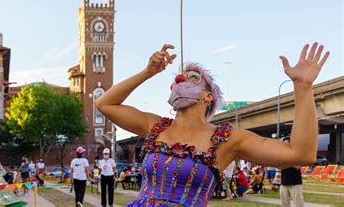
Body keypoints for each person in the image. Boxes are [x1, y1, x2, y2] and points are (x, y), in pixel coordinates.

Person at [95, 43, 329, 206]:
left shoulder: (228, 139)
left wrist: (303, 87)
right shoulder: (155, 126)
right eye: (178, 80)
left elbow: (301, 153)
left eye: (193, 78)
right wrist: (147, 72)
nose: (180, 81)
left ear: (208, 97)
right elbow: (105, 104)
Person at [280, 136, 304, 207]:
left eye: (287, 143)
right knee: (284, 204)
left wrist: (285, 164)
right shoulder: (282, 155)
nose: (285, 145)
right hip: (284, 183)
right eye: (284, 143)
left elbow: (298, 166)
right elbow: (279, 166)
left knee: (298, 204)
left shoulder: (297, 154)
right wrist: (292, 163)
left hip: (295, 183)